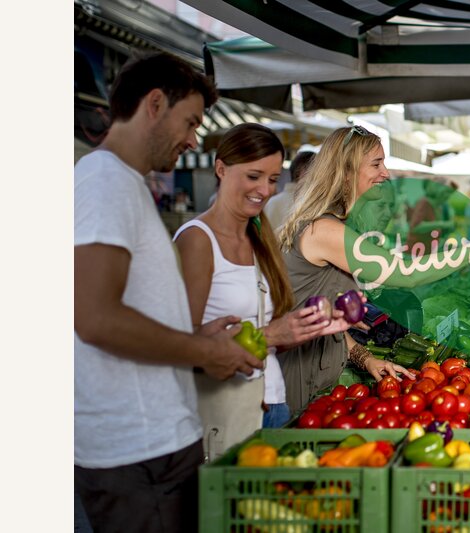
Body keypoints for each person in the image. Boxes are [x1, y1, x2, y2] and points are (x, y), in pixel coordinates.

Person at [74, 52, 264, 533]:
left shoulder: (124, 184)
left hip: (152, 446)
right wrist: (202, 349)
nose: (193, 139)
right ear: (155, 104)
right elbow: (93, 316)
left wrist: (197, 336)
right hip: (137, 452)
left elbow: (123, 311)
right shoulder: (104, 183)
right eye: (190, 122)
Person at [277, 125, 470, 412]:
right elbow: (405, 273)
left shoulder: (332, 226)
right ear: (347, 171)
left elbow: (326, 319)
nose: (385, 173)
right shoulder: (323, 230)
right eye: (376, 164)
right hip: (300, 377)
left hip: (319, 373)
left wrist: (364, 357)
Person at [173, 124, 352, 459]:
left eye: (272, 179)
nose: (265, 190)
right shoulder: (197, 240)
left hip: (274, 405)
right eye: (254, 176)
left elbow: (270, 338)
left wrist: (303, 328)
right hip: (224, 412)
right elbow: (178, 346)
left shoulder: (259, 239)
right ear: (221, 168)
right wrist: (270, 334)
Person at [264, 149, 317, 231]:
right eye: (315, 170)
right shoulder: (308, 203)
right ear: (301, 172)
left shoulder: (271, 202)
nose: (319, 176)